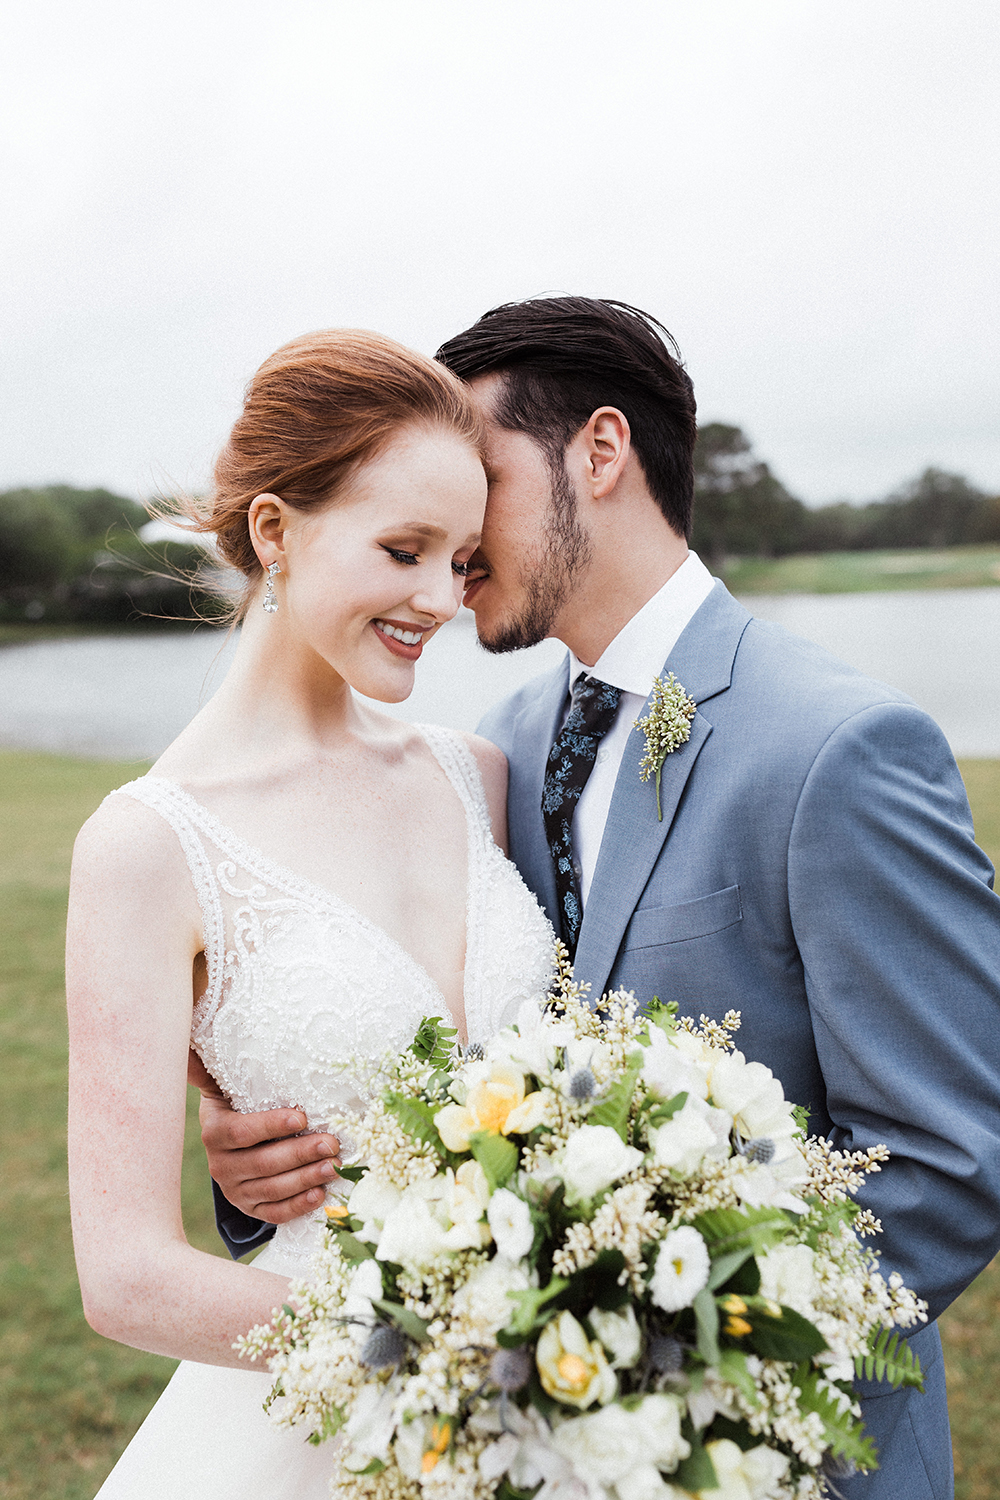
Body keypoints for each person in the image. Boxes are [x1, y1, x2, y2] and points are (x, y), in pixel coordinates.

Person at [206, 298, 1000, 1500]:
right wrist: (275, 1176)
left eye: (480, 480)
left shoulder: (839, 748)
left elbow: (949, 1162)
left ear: (601, 451)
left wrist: (659, 1376)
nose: (456, 542)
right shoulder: (502, 744)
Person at [66, 328, 556, 1498]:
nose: (441, 599)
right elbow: (126, 1276)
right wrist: (438, 1357)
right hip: (322, 1422)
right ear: (275, 529)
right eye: (405, 550)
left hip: (549, 1403)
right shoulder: (147, 846)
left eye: (463, 559)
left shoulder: (471, 774)